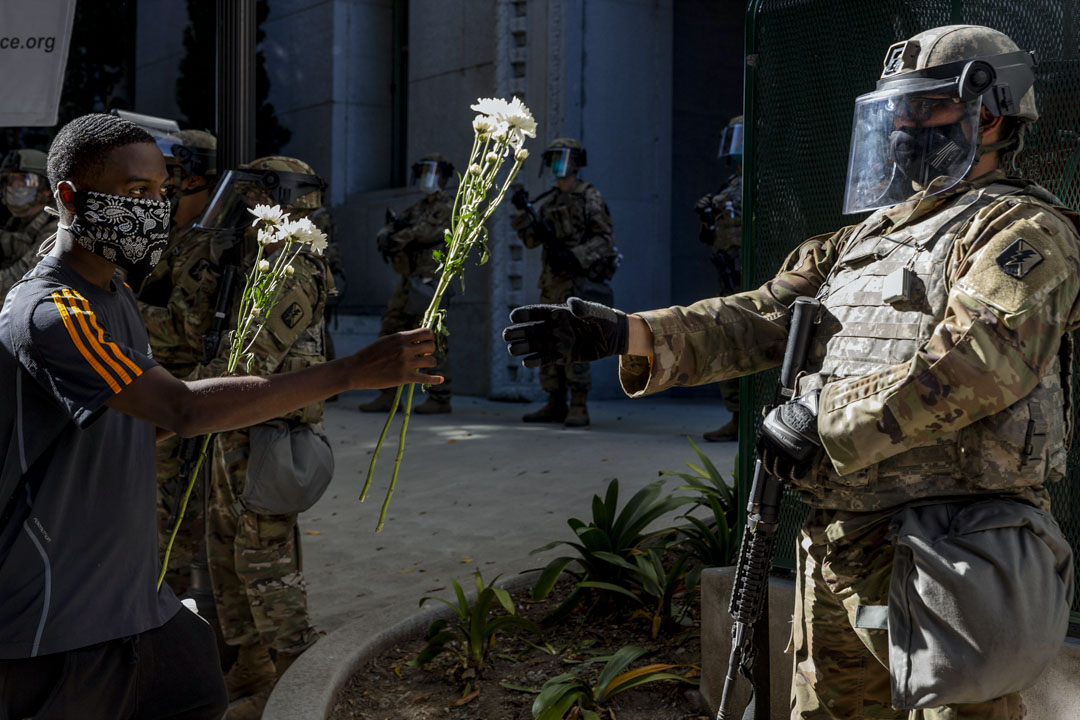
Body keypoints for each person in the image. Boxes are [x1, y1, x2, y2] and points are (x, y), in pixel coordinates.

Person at [504, 26, 1078, 718]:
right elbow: (764, 317)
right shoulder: (865, 237)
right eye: (895, 110)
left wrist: (823, 419)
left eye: (925, 108)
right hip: (838, 544)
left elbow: (983, 362)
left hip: (952, 553)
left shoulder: (1020, 231)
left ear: (990, 114)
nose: (902, 125)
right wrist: (630, 331)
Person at [0, 113, 440, 719]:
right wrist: (349, 373)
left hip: (136, 608)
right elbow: (178, 407)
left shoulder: (117, 297)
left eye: (162, 192)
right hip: (64, 621)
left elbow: (144, 418)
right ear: (69, 198)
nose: (156, 209)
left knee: (198, 681)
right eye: (135, 193)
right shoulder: (53, 311)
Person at [178, 155, 335, 719]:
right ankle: (251, 663)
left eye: (251, 197)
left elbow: (250, 359)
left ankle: (292, 676)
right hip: (237, 430)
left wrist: (182, 392)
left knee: (266, 561)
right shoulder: (255, 260)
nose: (242, 210)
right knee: (227, 554)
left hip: (270, 435)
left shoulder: (292, 267)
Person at [138, 130, 221, 596]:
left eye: (172, 174)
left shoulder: (203, 245)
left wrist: (126, 307)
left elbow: (191, 333)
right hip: (156, 394)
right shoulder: (174, 237)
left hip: (179, 396)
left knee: (169, 529)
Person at [510, 138, 618, 427]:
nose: (560, 165)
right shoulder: (548, 201)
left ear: (577, 163)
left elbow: (605, 240)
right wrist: (521, 213)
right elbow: (531, 240)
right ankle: (554, 401)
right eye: (554, 159)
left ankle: (578, 404)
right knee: (548, 340)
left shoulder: (589, 196)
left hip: (578, 282)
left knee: (576, 341)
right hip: (551, 283)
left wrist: (574, 255)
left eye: (565, 159)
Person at [359, 153, 455, 414]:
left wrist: (398, 236)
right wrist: (391, 236)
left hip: (430, 281)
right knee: (390, 331)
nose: (427, 178)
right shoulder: (418, 207)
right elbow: (387, 231)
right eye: (423, 172)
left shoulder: (447, 206)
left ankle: (439, 397)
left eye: (432, 172)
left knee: (427, 337)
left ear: (444, 176)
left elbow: (427, 233)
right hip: (408, 281)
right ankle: (389, 394)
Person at [694, 116, 744, 442]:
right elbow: (710, 237)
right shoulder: (727, 187)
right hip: (728, 276)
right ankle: (738, 417)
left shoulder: (764, 181)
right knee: (727, 347)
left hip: (753, 277)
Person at [0, 149, 58, 300]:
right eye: (10, 180)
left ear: (46, 189)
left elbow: (22, 280)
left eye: (25, 180)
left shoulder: (56, 228)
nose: (14, 185)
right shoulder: (14, 223)